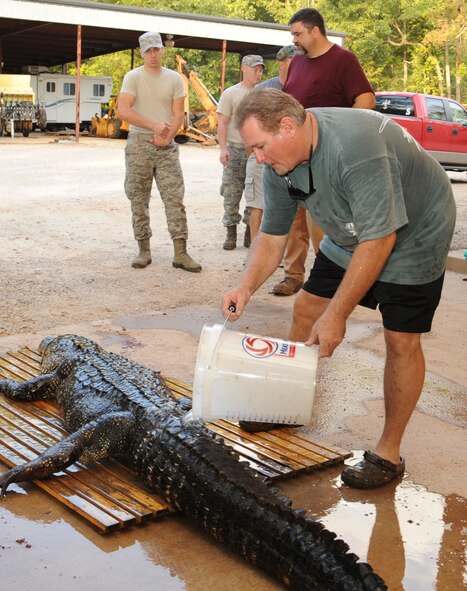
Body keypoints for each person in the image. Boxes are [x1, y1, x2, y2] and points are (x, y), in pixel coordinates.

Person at [222, 88, 456, 489]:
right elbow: (272, 237)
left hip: (417, 230)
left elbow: (380, 239)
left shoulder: (355, 147)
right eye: (252, 150)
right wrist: (245, 286)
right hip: (351, 230)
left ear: (287, 127)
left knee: (400, 339)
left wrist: (338, 316)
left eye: (260, 147)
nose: (258, 157)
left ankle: (388, 452)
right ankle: (284, 406)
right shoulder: (279, 162)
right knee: (307, 307)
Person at [273, 8, 375, 296]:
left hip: (324, 159)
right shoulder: (297, 64)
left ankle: (331, 281)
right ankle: (293, 276)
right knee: (294, 220)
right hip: (294, 156)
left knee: (323, 224)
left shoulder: (344, 60)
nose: (294, 40)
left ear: (315, 31)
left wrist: (341, 136)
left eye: (297, 34)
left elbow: (366, 100)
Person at [119, 31, 201, 273]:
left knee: (174, 198)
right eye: (148, 51)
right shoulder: (133, 77)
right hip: (139, 144)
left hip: (166, 147)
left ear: (163, 50)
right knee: (138, 198)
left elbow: (178, 114)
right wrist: (153, 126)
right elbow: (123, 110)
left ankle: (180, 253)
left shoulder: (174, 79)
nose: (153, 55)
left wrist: (167, 136)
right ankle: (144, 250)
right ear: (141, 53)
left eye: (156, 49)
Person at [244, 45, 296, 241]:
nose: (299, 67)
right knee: (258, 204)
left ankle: (282, 254)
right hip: (264, 156)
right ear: (281, 64)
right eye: (294, 62)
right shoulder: (263, 89)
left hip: (292, 158)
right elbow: (249, 122)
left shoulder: (304, 87)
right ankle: (256, 249)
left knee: (290, 209)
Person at [216, 55, 264, 250]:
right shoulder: (231, 94)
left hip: (256, 152)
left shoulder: (264, 94)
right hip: (235, 149)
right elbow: (222, 122)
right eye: (255, 69)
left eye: (261, 70)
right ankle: (230, 232)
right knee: (231, 193)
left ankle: (248, 231)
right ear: (244, 68)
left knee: (254, 194)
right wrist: (223, 149)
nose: (258, 73)